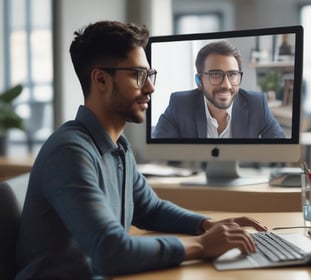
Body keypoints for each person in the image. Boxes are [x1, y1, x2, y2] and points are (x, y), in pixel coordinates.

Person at [14, 21, 268, 280]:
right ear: (100, 79)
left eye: (150, 74)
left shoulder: (118, 147)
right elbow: (110, 251)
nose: (150, 87)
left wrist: (207, 225)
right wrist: (203, 245)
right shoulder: (69, 152)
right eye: (138, 75)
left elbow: (149, 208)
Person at [152, 40, 285, 138]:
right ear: (199, 81)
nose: (226, 85)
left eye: (232, 74)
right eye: (215, 75)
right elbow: (158, 151)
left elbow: (282, 150)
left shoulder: (257, 104)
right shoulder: (179, 104)